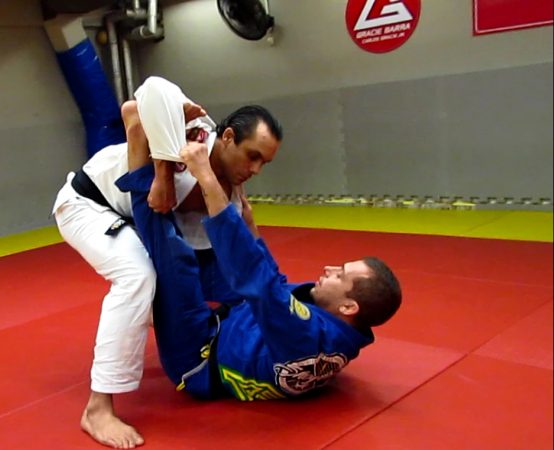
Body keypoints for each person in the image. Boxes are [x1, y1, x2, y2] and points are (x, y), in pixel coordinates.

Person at [52, 76, 282, 449]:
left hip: (137, 213)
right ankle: (98, 408)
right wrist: (163, 171)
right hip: (89, 204)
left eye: (264, 163)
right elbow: (153, 88)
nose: (255, 170)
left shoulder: (227, 194)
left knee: (205, 277)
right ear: (227, 138)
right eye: (252, 155)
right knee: (138, 277)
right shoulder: (195, 134)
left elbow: (228, 262)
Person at [116, 116, 402, 403]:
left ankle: (138, 155)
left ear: (349, 306)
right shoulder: (345, 333)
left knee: (177, 260)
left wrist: (206, 175)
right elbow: (276, 286)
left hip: (197, 357)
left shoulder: (305, 333)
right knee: (224, 258)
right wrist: (248, 222)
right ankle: (163, 313)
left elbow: (257, 279)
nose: (329, 269)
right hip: (239, 321)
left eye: (340, 275)